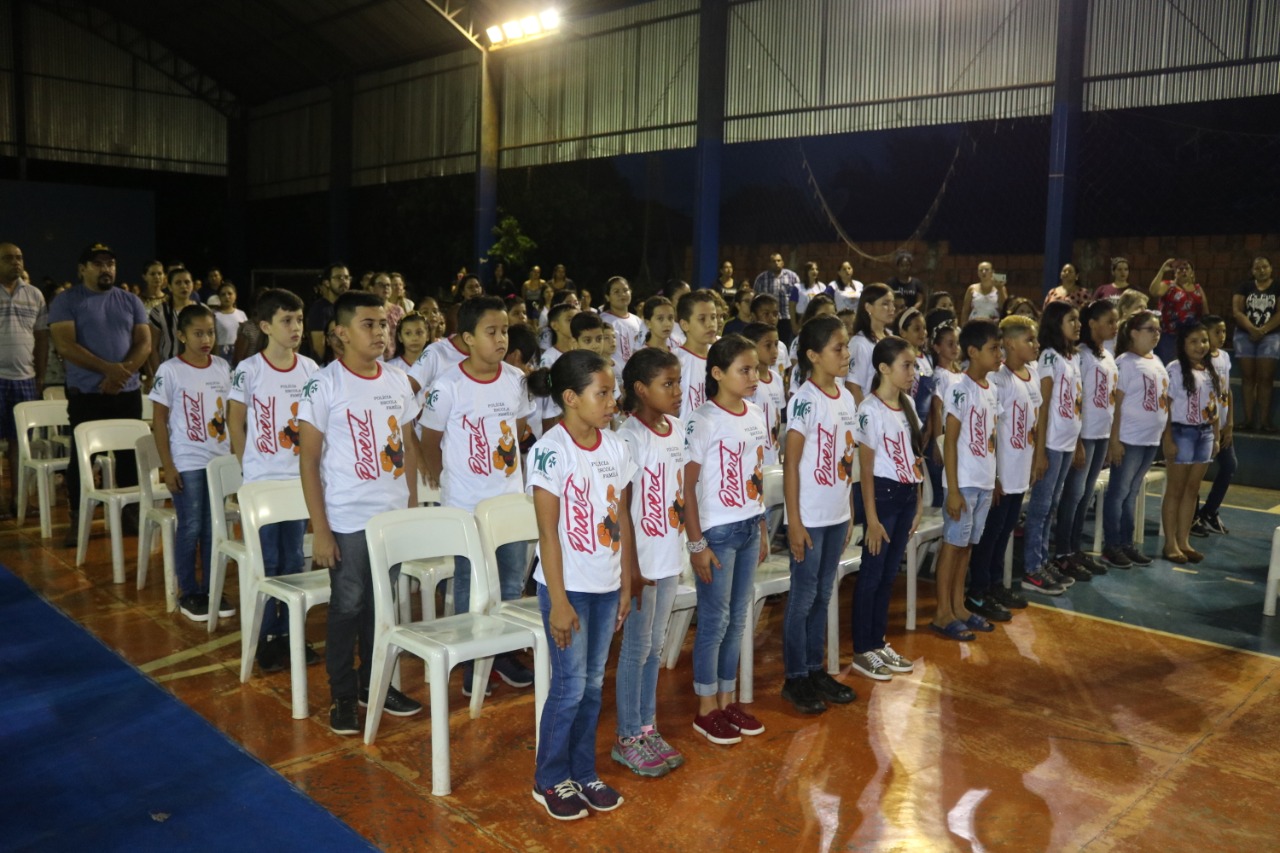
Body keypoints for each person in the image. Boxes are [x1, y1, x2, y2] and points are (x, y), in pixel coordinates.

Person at [298, 289, 424, 736]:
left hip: (389, 519)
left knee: (381, 606)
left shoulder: (397, 381)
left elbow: (408, 446)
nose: (379, 332)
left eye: (383, 324)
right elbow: (308, 460)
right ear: (341, 333)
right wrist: (321, 529)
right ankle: (343, 694)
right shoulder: (325, 384)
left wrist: (410, 506)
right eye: (367, 324)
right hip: (347, 518)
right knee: (348, 605)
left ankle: (376, 684)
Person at [526, 349, 636, 819]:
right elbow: (547, 533)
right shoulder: (550, 451)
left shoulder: (616, 446)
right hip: (566, 590)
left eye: (614, 392)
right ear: (571, 398)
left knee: (592, 686)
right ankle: (549, 778)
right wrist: (558, 601)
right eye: (603, 393)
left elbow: (622, 518)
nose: (613, 402)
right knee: (569, 687)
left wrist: (626, 583)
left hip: (606, 586)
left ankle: (583, 771)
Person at [421, 295, 536, 695]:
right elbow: (430, 441)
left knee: (510, 582)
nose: (501, 339)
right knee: (471, 584)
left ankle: (501, 653)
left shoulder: (515, 379)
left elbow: (517, 430)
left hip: (509, 502)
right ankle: (472, 662)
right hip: (467, 504)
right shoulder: (447, 385)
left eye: (504, 331)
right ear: (468, 338)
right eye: (491, 332)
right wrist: (449, 482)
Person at [683, 335, 769, 746]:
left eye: (756, 369)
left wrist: (763, 527)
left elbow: (756, 474)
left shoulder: (756, 413)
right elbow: (687, 486)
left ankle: (727, 699)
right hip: (717, 532)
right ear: (717, 373)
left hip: (749, 526)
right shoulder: (703, 419)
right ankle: (705, 709)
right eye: (744, 370)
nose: (754, 377)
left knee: (738, 619)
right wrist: (696, 544)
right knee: (714, 622)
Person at [227, 289, 320, 669]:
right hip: (263, 482)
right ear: (265, 326)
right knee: (267, 560)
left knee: (294, 558)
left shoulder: (310, 369)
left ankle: (290, 633)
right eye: (286, 321)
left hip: (298, 481)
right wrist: (248, 468)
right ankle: (266, 635)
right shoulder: (249, 369)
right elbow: (235, 421)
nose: (296, 327)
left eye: (299, 320)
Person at [613, 348, 687, 778]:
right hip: (641, 564)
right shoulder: (628, 438)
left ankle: (647, 728)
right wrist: (632, 571)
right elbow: (621, 510)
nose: (677, 392)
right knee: (636, 649)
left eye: (678, 383)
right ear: (641, 389)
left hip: (668, 557)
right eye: (668, 384)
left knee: (655, 647)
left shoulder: (675, 429)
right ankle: (627, 737)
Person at [779, 316, 858, 711]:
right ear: (812, 355)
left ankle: (814, 668)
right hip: (809, 518)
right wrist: (793, 522)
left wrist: (849, 511)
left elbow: (847, 457)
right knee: (803, 597)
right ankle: (795, 677)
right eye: (837, 348)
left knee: (824, 594)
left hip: (835, 515)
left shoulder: (847, 397)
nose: (846, 354)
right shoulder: (804, 400)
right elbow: (791, 464)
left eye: (846, 346)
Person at [49, 243, 151, 546]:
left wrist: (121, 374)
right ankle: (78, 518)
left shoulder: (130, 300)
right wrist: (110, 370)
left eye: (110, 264)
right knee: (83, 459)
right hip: (86, 394)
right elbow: (65, 345)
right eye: (98, 264)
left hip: (126, 392)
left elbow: (144, 344)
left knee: (130, 457)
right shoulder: (67, 301)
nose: (106, 269)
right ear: (82, 269)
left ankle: (131, 514)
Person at [149, 304, 232, 622]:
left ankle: (212, 588)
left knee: (214, 529)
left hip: (218, 461)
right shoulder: (169, 370)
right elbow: (159, 420)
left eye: (210, 332)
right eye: (198, 333)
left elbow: (231, 414)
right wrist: (168, 466)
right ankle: (189, 591)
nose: (206, 339)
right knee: (191, 526)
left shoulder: (222, 367)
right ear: (181, 335)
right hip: (187, 460)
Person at [851, 337, 922, 678]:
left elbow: (915, 456)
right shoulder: (869, 410)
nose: (912, 372)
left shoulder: (908, 404)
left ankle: (878, 642)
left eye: (913, 365)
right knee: (872, 574)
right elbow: (865, 470)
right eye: (906, 366)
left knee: (890, 574)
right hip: (882, 496)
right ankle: (862, 649)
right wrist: (872, 519)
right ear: (883, 368)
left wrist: (918, 502)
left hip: (906, 496)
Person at [931, 319, 1003, 642]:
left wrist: (995, 477)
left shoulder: (992, 388)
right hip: (963, 483)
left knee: (967, 546)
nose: (999, 354)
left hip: (983, 481)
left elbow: (991, 437)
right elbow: (949, 441)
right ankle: (942, 612)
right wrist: (953, 490)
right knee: (952, 546)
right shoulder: (959, 388)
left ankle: (958, 606)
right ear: (973, 352)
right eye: (993, 349)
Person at [969, 315, 1043, 615]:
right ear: (1010, 344)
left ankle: (995, 584)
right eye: (1029, 340)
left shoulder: (1032, 374)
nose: (1036, 345)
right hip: (1001, 472)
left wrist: (1035, 458)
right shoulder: (998, 380)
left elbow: (1034, 421)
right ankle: (978, 591)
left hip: (1020, 469)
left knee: (1005, 532)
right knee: (991, 533)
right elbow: (992, 429)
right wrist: (996, 474)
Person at [1052, 300, 1118, 580]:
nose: (1115, 326)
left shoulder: (1107, 355)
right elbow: (1076, 397)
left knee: (1086, 494)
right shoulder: (1081, 355)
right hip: (1084, 433)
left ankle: (1074, 548)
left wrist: (1110, 438)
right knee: (1073, 493)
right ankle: (1062, 552)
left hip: (1101, 433)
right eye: (1110, 321)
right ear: (1093, 323)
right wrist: (1078, 440)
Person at [1022, 301, 1084, 593]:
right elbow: (1044, 406)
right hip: (1052, 443)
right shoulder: (1049, 357)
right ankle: (1031, 568)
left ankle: (1043, 560)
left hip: (1067, 441)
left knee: (1053, 505)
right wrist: (1040, 451)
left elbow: (1076, 402)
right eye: (1071, 320)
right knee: (1041, 506)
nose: (1078, 325)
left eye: (1078, 319)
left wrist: (1078, 442)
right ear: (1056, 323)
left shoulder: (1071, 357)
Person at [1100, 310, 1166, 569]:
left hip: (1150, 439)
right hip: (1130, 438)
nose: (1156, 334)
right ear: (1134, 333)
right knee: (1119, 492)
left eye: (1158, 330)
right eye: (1151, 329)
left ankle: (1126, 543)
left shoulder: (1156, 360)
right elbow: (1115, 405)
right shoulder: (1125, 363)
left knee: (1132, 492)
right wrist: (1114, 440)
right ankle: (1112, 545)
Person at [1161, 321, 1220, 564]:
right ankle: (1170, 543)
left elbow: (1214, 405)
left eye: (1204, 340)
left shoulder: (1209, 369)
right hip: (1181, 432)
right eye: (1193, 341)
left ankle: (1184, 540)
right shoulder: (1174, 369)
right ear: (1182, 344)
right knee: (1175, 489)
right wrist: (1168, 438)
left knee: (1192, 489)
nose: (1200, 346)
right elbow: (1166, 406)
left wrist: (1215, 435)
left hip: (1204, 433)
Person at [0, 242, 48, 520]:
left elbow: (41, 338)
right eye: (8, 258)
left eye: (19, 257)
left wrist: (40, 375)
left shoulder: (34, 295)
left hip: (25, 378)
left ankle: (20, 501)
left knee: (21, 444)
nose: (16, 262)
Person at [1194, 316, 1235, 537]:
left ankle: (1209, 511)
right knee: (1196, 472)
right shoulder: (1201, 360)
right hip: (1206, 424)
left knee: (1229, 466)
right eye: (1216, 332)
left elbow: (1227, 391)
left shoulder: (1225, 357)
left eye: (1224, 331)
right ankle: (1191, 516)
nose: (1222, 336)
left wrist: (1230, 423)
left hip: (1222, 424)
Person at [1231, 256, 1278, 431]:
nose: (1261, 270)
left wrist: (1263, 330)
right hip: (1245, 335)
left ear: (1271, 268)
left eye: (1265, 267)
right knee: (1248, 377)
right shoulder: (1244, 286)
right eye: (1257, 268)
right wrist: (1252, 329)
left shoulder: (1277, 286)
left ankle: (1265, 422)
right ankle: (1248, 421)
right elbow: (1237, 311)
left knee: (1266, 378)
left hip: (1271, 335)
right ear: (1252, 271)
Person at [924, 311, 961, 508]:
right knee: (942, 491)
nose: (955, 348)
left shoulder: (959, 373)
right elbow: (936, 410)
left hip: (958, 438)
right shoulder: (940, 375)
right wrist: (939, 443)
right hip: (945, 436)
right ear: (937, 347)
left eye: (957, 343)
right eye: (950, 344)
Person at [845, 283, 895, 404]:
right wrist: (865, 414)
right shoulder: (860, 343)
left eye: (892, 303)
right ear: (868, 307)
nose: (892, 308)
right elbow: (853, 386)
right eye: (885, 304)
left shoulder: (891, 337)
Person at [1149, 258, 1207, 363]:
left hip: (1191, 335)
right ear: (1175, 272)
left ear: (1192, 272)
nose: (1184, 271)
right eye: (1180, 269)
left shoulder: (1198, 288)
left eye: (1187, 268)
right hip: (1169, 335)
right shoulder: (1168, 285)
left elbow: (1205, 311)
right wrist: (1162, 270)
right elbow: (1153, 291)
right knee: (1169, 364)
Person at [743, 322, 784, 466]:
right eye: (768, 345)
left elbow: (777, 417)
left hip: (772, 454)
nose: (774, 351)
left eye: (776, 344)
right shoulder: (747, 381)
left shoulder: (776, 379)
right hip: (753, 456)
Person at [674, 291, 719, 415]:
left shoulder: (722, 356)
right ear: (685, 325)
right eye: (702, 319)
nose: (710, 324)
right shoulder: (674, 360)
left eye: (713, 317)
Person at [147, 265, 198, 373]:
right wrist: (159, 375)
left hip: (197, 369)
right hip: (169, 370)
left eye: (187, 282)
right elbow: (153, 347)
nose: (183, 286)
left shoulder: (202, 310)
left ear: (192, 284)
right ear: (169, 287)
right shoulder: (158, 312)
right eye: (178, 283)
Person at [599, 276, 645, 375]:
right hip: (613, 375)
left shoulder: (638, 321)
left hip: (637, 375)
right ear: (607, 297)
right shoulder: (602, 320)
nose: (622, 294)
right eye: (616, 292)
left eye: (625, 290)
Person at [305, 264, 351, 362]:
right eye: (338, 278)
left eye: (347, 277)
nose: (344, 281)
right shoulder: (319, 309)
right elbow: (318, 348)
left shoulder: (348, 307)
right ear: (327, 283)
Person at [753, 253, 800, 344]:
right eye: (773, 261)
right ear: (769, 264)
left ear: (783, 262)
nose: (776, 263)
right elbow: (756, 299)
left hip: (787, 319)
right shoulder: (761, 279)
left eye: (778, 260)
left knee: (786, 345)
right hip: (768, 319)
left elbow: (798, 299)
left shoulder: (793, 277)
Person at [213, 282, 247, 362]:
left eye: (229, 293)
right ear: (219, 297)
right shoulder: (214, 315)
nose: (227, 296)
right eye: (223, 294)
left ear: (235, 295)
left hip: (239, 352)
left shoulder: (241, 314)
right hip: (220, 352)